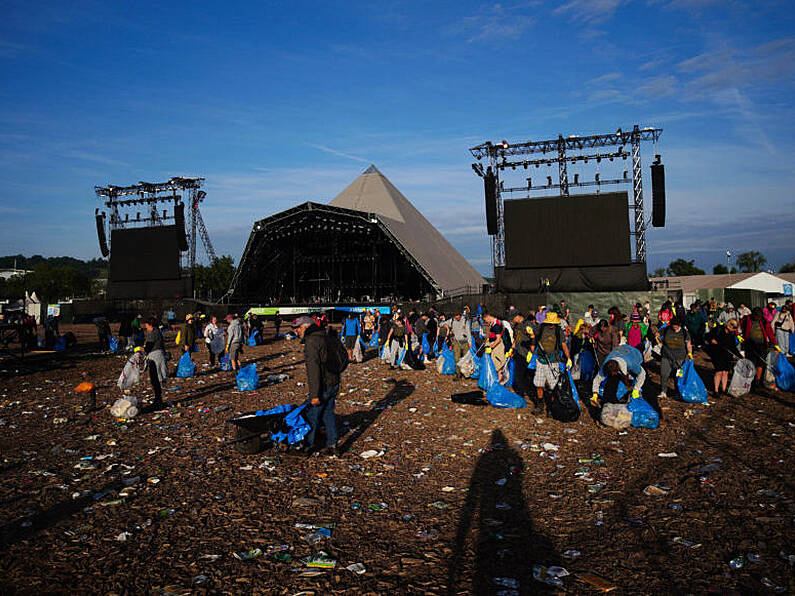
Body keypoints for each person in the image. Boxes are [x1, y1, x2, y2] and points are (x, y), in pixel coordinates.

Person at [292, 316, 341, 457]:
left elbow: (313, 370)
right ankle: (332, 445)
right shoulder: (325, 336)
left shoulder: (311, 341)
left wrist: (314, 395)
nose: (296, 332)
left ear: (306, 327)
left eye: (298, 328)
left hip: (323, 385)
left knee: (311, 415)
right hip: (334, 382)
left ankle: (306, 447)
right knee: (328, 414)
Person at [532, 311, 571, 407]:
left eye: (553, 324)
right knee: (539, 383)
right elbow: (534, 338)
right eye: (550, 323)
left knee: (553, 385)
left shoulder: (558, 331)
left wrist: (568, 358)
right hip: (541, 359)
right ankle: (540, 403)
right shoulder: (540, 328)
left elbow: (564, 345)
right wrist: (532, 350)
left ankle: (552, 405)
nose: (552, 325)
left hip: (554, 360)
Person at [655, 316, 693, 399]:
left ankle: (677, 392)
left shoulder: (684, 332)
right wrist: (657, 337)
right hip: (666, 356)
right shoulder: (667, 329)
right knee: (664, 374)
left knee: (677, 376)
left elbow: (688, 344)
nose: (675, 327)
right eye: (673, 325)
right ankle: (663, 391)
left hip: (679, 358)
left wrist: (690, 353)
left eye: (676, 325)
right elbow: (657, 333)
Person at [741, 307, 776, 388]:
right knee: (751, 363)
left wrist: (774, 343)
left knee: (760, 363)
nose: (758, 318)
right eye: (757, 316)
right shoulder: (746, 319)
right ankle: (750, 380)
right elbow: (738, 327)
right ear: (753, 315)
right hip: (750, 344)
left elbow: (769, 332)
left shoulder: (764, 321)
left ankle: (757, 380)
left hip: (762, 345)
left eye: (759, 316)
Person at [705, 319, 741, 397]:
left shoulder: (731, 335)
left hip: (727, 355)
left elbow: (733, 347)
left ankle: (724, 389)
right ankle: (716, 390)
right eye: (734, 327)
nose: (734, 330)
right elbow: (707, 336)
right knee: (719, 372)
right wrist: (712, 340)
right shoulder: (718, 329)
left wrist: (740, 356)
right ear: (729, 325)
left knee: (725, 372)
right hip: (717, 353)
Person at [143, 317, 168, 410]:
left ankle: (158, 400)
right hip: (158, 356)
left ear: (151, 325)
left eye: (147, 326)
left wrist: (140, 349)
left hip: (155, 358)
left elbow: (148, 347)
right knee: (155, 379)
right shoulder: (158, 332)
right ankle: (158, 399)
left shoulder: (153, 333)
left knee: (155, 379)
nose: (146, 328)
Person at [510, 312, 535, 400]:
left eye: (514, 318)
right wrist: (512, 348)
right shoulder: (516, 326)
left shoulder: (528, 324)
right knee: (519, 374)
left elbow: (534, 337)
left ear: (518, 316)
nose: (513, 320)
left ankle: (525, 393)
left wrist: (532, 350)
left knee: (523, 375)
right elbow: (516, 338)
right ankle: (521, 392)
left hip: (526, 353)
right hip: (518, 352)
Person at [483, 309, 511, 384]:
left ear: (488, 316)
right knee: (496, 363)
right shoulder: (493, 324)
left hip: (497, 346)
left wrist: (491, 347)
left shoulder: (496, 325)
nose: (485, 321)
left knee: (498, 363)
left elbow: (498, 339)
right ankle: (499, 380)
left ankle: (500, 380)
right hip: (494, 345)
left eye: (485, 319)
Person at [450, 311, 471, 380]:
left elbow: (468, 332)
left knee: (466, 359)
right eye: (456, 316)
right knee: (457, 358)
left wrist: (470, 343)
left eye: (458, 315)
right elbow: (442, 324)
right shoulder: (452, 321)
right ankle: (458, 374)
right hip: (456, 341)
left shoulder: (465, 321)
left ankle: (466, 374)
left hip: (465, 341)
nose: (457, 317)